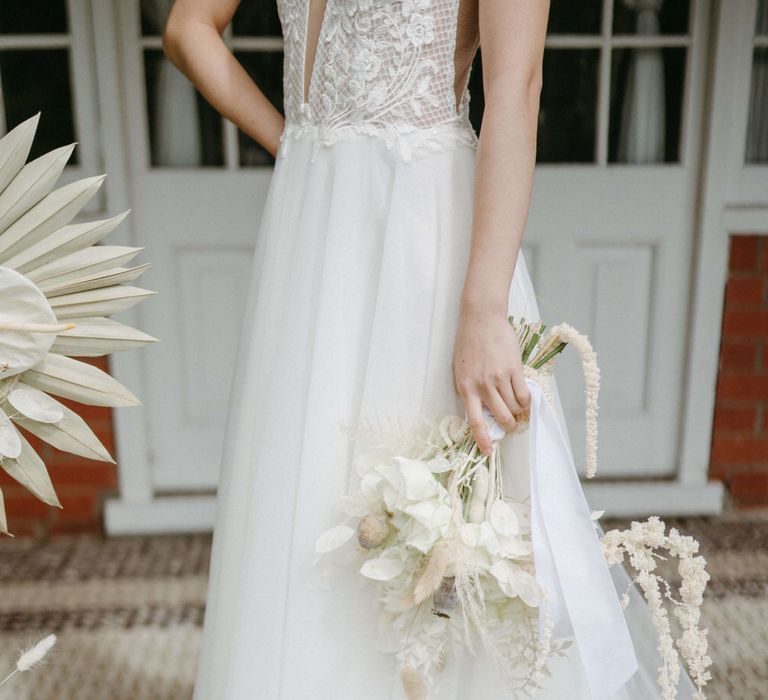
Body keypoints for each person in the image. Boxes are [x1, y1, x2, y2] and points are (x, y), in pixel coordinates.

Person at [163, 1, 697, 697]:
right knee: (343, 516)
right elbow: (517, 83)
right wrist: (299, 141)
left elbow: (186, 29)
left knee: (421, 534)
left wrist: (481, 310)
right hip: (356, 230)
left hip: (392, 247)